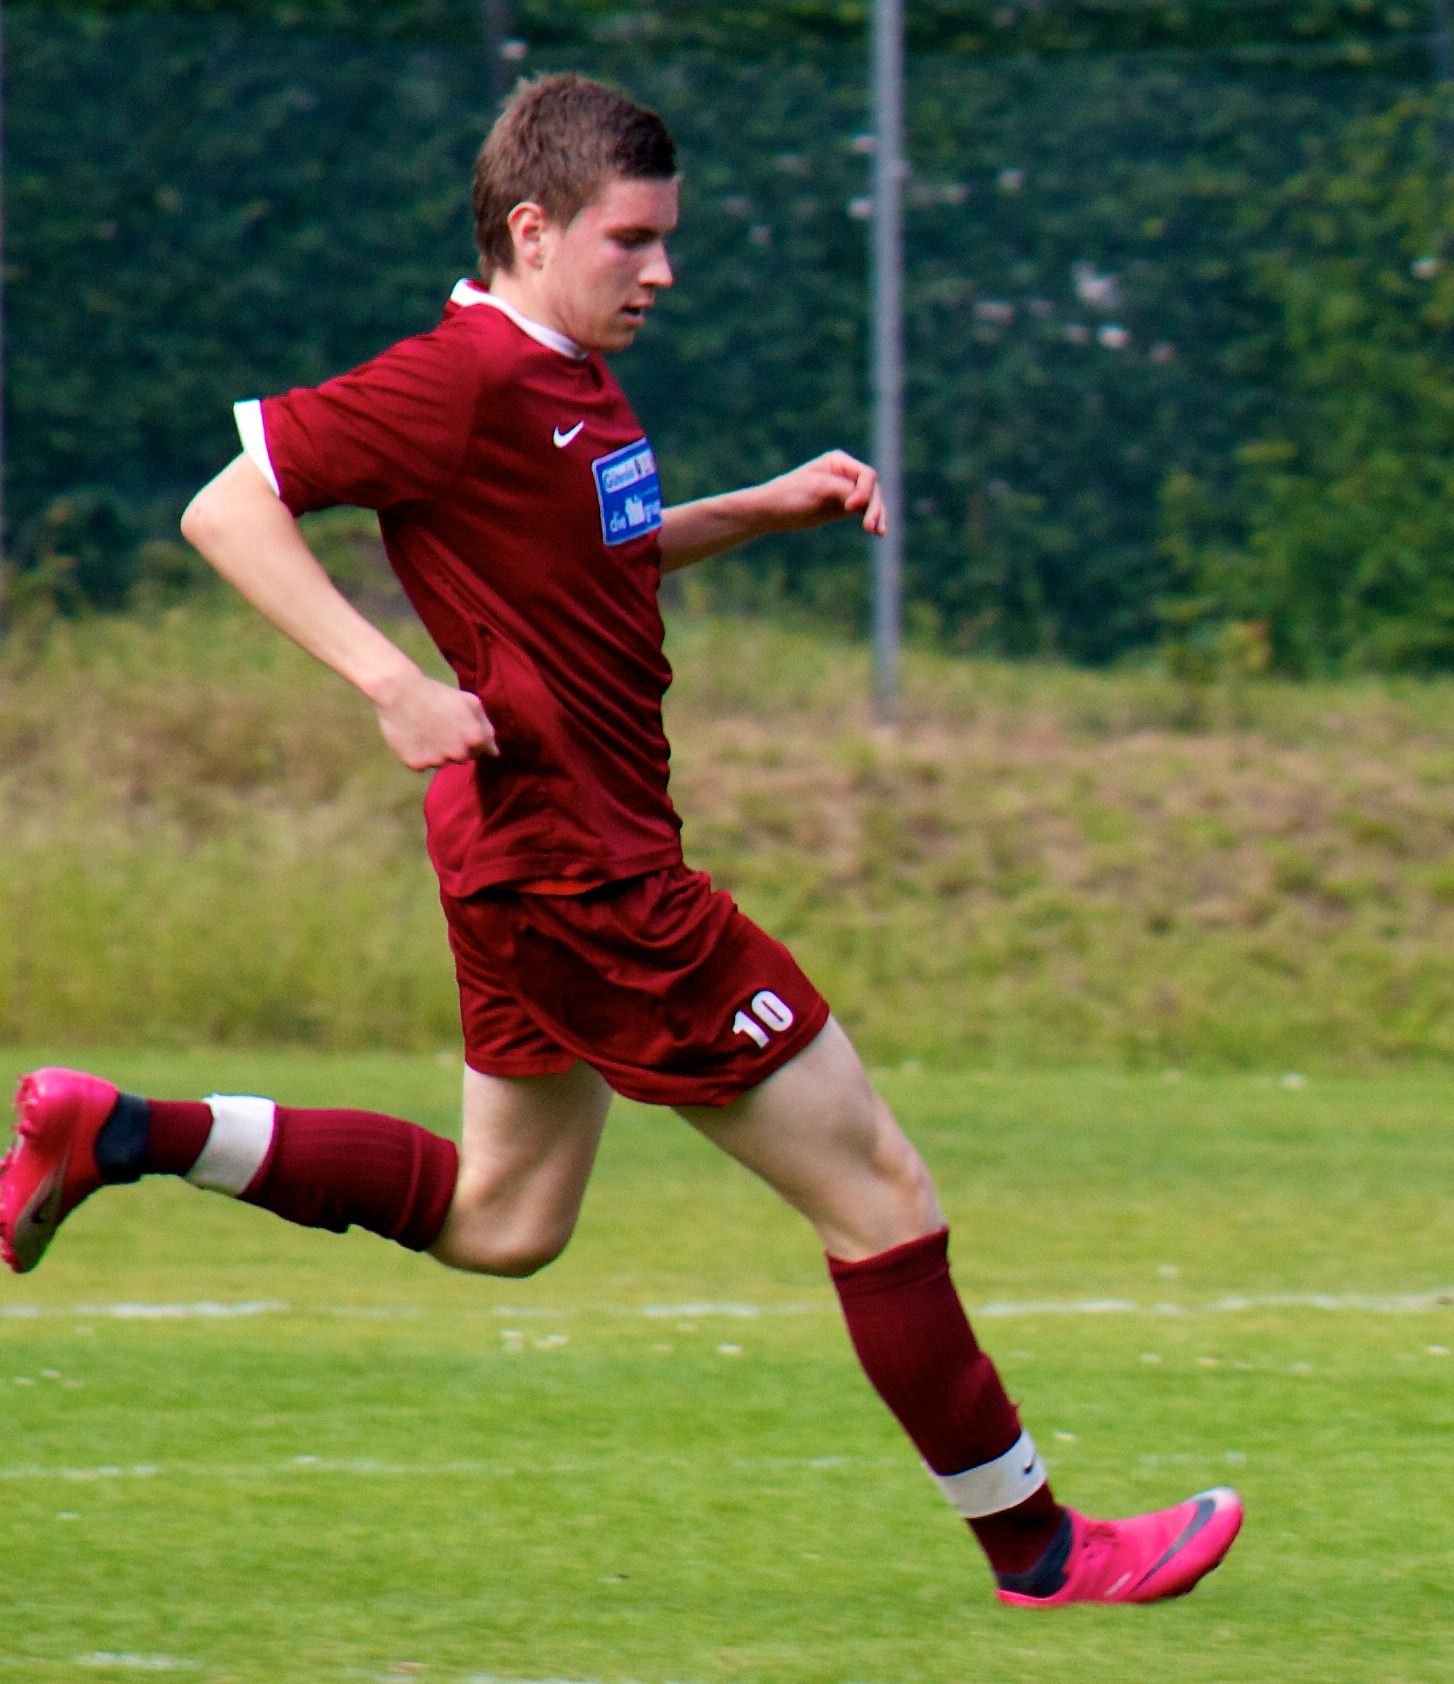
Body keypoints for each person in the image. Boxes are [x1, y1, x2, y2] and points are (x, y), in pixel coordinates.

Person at [0, 72, 1240, 1610]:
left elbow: (595, 555)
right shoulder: (463, 375)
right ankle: (1041, 1550)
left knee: (504, 1221)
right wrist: (391, 682)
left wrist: (759, 508)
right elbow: (227, 509)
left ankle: (122, 1132)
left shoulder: (566, 375)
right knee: (878, 1188)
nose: (663, 270)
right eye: (631, 240)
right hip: (587, 873)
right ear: (532, 230)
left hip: (523, 857)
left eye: (665, 238)